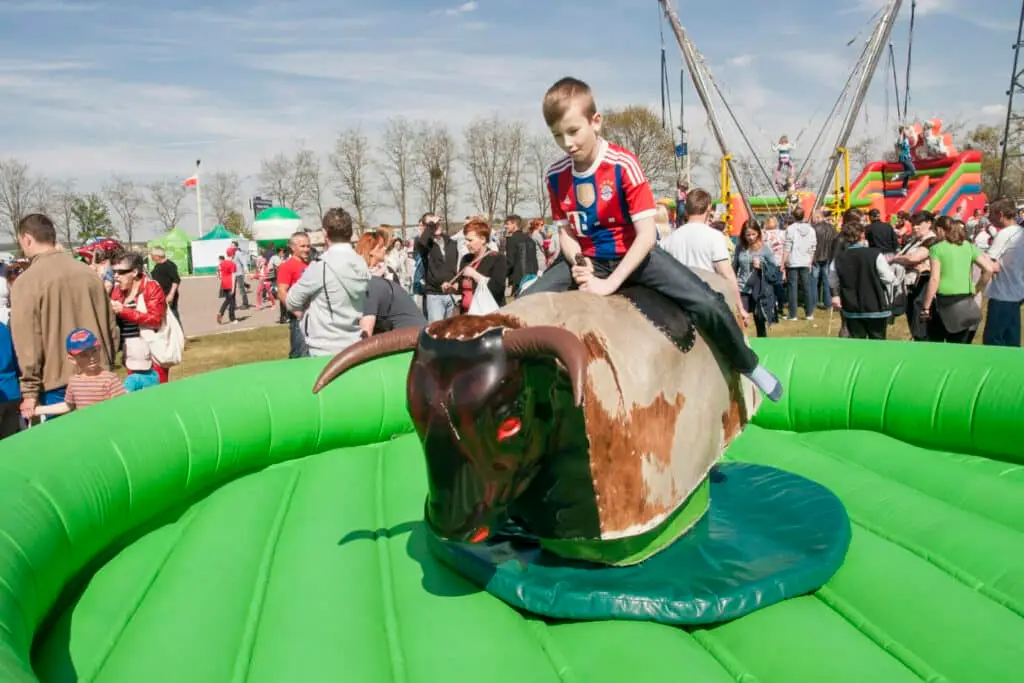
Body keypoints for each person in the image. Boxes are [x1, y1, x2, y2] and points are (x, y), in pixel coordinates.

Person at [521, 76, 782, 401]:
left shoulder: (622, 164)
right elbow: (566, 232)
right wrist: (579, 264)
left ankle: (749, 365)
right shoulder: (555, 175)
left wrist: (607, 284)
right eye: (557, 135)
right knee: (522, 306)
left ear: (595, 121)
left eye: (573, 131)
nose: (567, 143)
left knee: (707, 302)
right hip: (585, 257)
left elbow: (646, 236)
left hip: (633, 254)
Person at [10, 214, 119, 421]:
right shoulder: (89, 274)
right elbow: (112, 329)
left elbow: (27, 344)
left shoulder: (26, 283)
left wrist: (29, 391)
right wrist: (107, 365)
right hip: (100, 377)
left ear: (27, 239)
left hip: (58, 384)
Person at [285, 208, 370, 356]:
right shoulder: (361, 262)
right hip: (355, 344)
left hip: (324, 348)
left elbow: (292, 301)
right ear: (351, 232)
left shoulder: (321, 266)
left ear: (325, 234)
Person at [921, 217, 996, 344]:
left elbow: (934, 278)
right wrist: (977, 289)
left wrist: (926, 307)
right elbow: (989, 269)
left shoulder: (937, 249)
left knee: (936, 341)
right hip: (965, 299)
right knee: (959, 342)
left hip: (944, 300)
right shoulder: (969, 246)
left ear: (939, 229)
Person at [110, 251, 173, 383]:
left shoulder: (151, 287)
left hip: (152, 354)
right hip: (131, 354)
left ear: (134, 272)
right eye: (114, 272)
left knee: (157, 395)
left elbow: (155, 320)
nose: (116, 276)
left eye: (121, 272)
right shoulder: (118, 291)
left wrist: (124, 311)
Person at [829, 221, 897, 340]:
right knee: (878, 342)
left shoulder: (839, 258)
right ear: (862, 235)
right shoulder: (875, 254)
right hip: (875, 304)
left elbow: (833, 281)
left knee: (857, 341)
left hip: (852, 306)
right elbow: (888, 278)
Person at [34, 329, 126, 417]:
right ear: (72, 359)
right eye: (84, 355)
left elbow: (122, 406)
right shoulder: (74, 381)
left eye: (94, 351)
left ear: (99, 350)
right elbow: (68, 405)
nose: (92, 358)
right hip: (85, 428)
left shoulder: (110, 379)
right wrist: (38, 410)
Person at [355, 231, 426, 337]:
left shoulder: (376, 281)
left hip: (410, 337)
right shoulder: (372, 279)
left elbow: (366, 333)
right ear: (370, 251)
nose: (385, 249)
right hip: (409, 334)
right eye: (381, 246)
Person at [447, 219, 507, 313]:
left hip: (488, 314)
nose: (466, 243)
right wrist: (452, 288)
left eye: (470, 240)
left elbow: (498, 289)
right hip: (467, 315)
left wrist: (475, 275)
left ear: (483, 239)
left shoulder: (497, 258)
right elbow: (463, 287)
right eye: (465, 240)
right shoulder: (466, 259)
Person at [732, 219, 780, 338]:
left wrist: (762, 266)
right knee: (740, 318)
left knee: (759, 320)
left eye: (753, 234)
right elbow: (734, 267)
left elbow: (774, 268)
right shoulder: (740, 248)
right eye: (748, 234)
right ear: (743, 235)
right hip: (743, 288)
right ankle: (741, 344)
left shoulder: (765, 249)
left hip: (759, 290)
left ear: (758, 233)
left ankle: (762, 342)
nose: (751, 237)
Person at [277, 233, 312, 358]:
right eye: (302, 246)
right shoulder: (286, 266)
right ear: (293, 247)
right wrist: (297, 312)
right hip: (299, 320)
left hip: (312, 318)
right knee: (299, 355)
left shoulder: (309, 265)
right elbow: (281, 292)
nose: (306, 249)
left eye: (308, 246)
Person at [149, 247, 181, 324]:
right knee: (165, 316)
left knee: (173, 315)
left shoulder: (169, 265)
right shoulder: (158, 265)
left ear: (157, 256)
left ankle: (178, 333)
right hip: (160, 294)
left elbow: (176, 280)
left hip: (168, 294)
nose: (151, 258)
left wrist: (171, 295)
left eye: (152, 256)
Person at [216, 254, 237, 324]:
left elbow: (219, 273)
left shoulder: (221, 263)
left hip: (224, 284)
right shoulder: (232, 264)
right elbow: (233, 276)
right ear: (232, 256)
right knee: (232, 302)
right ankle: (232, 318)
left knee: (228, 300)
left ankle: (220, 312)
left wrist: (220, 277)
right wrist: (233, 288)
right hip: (230, 284)